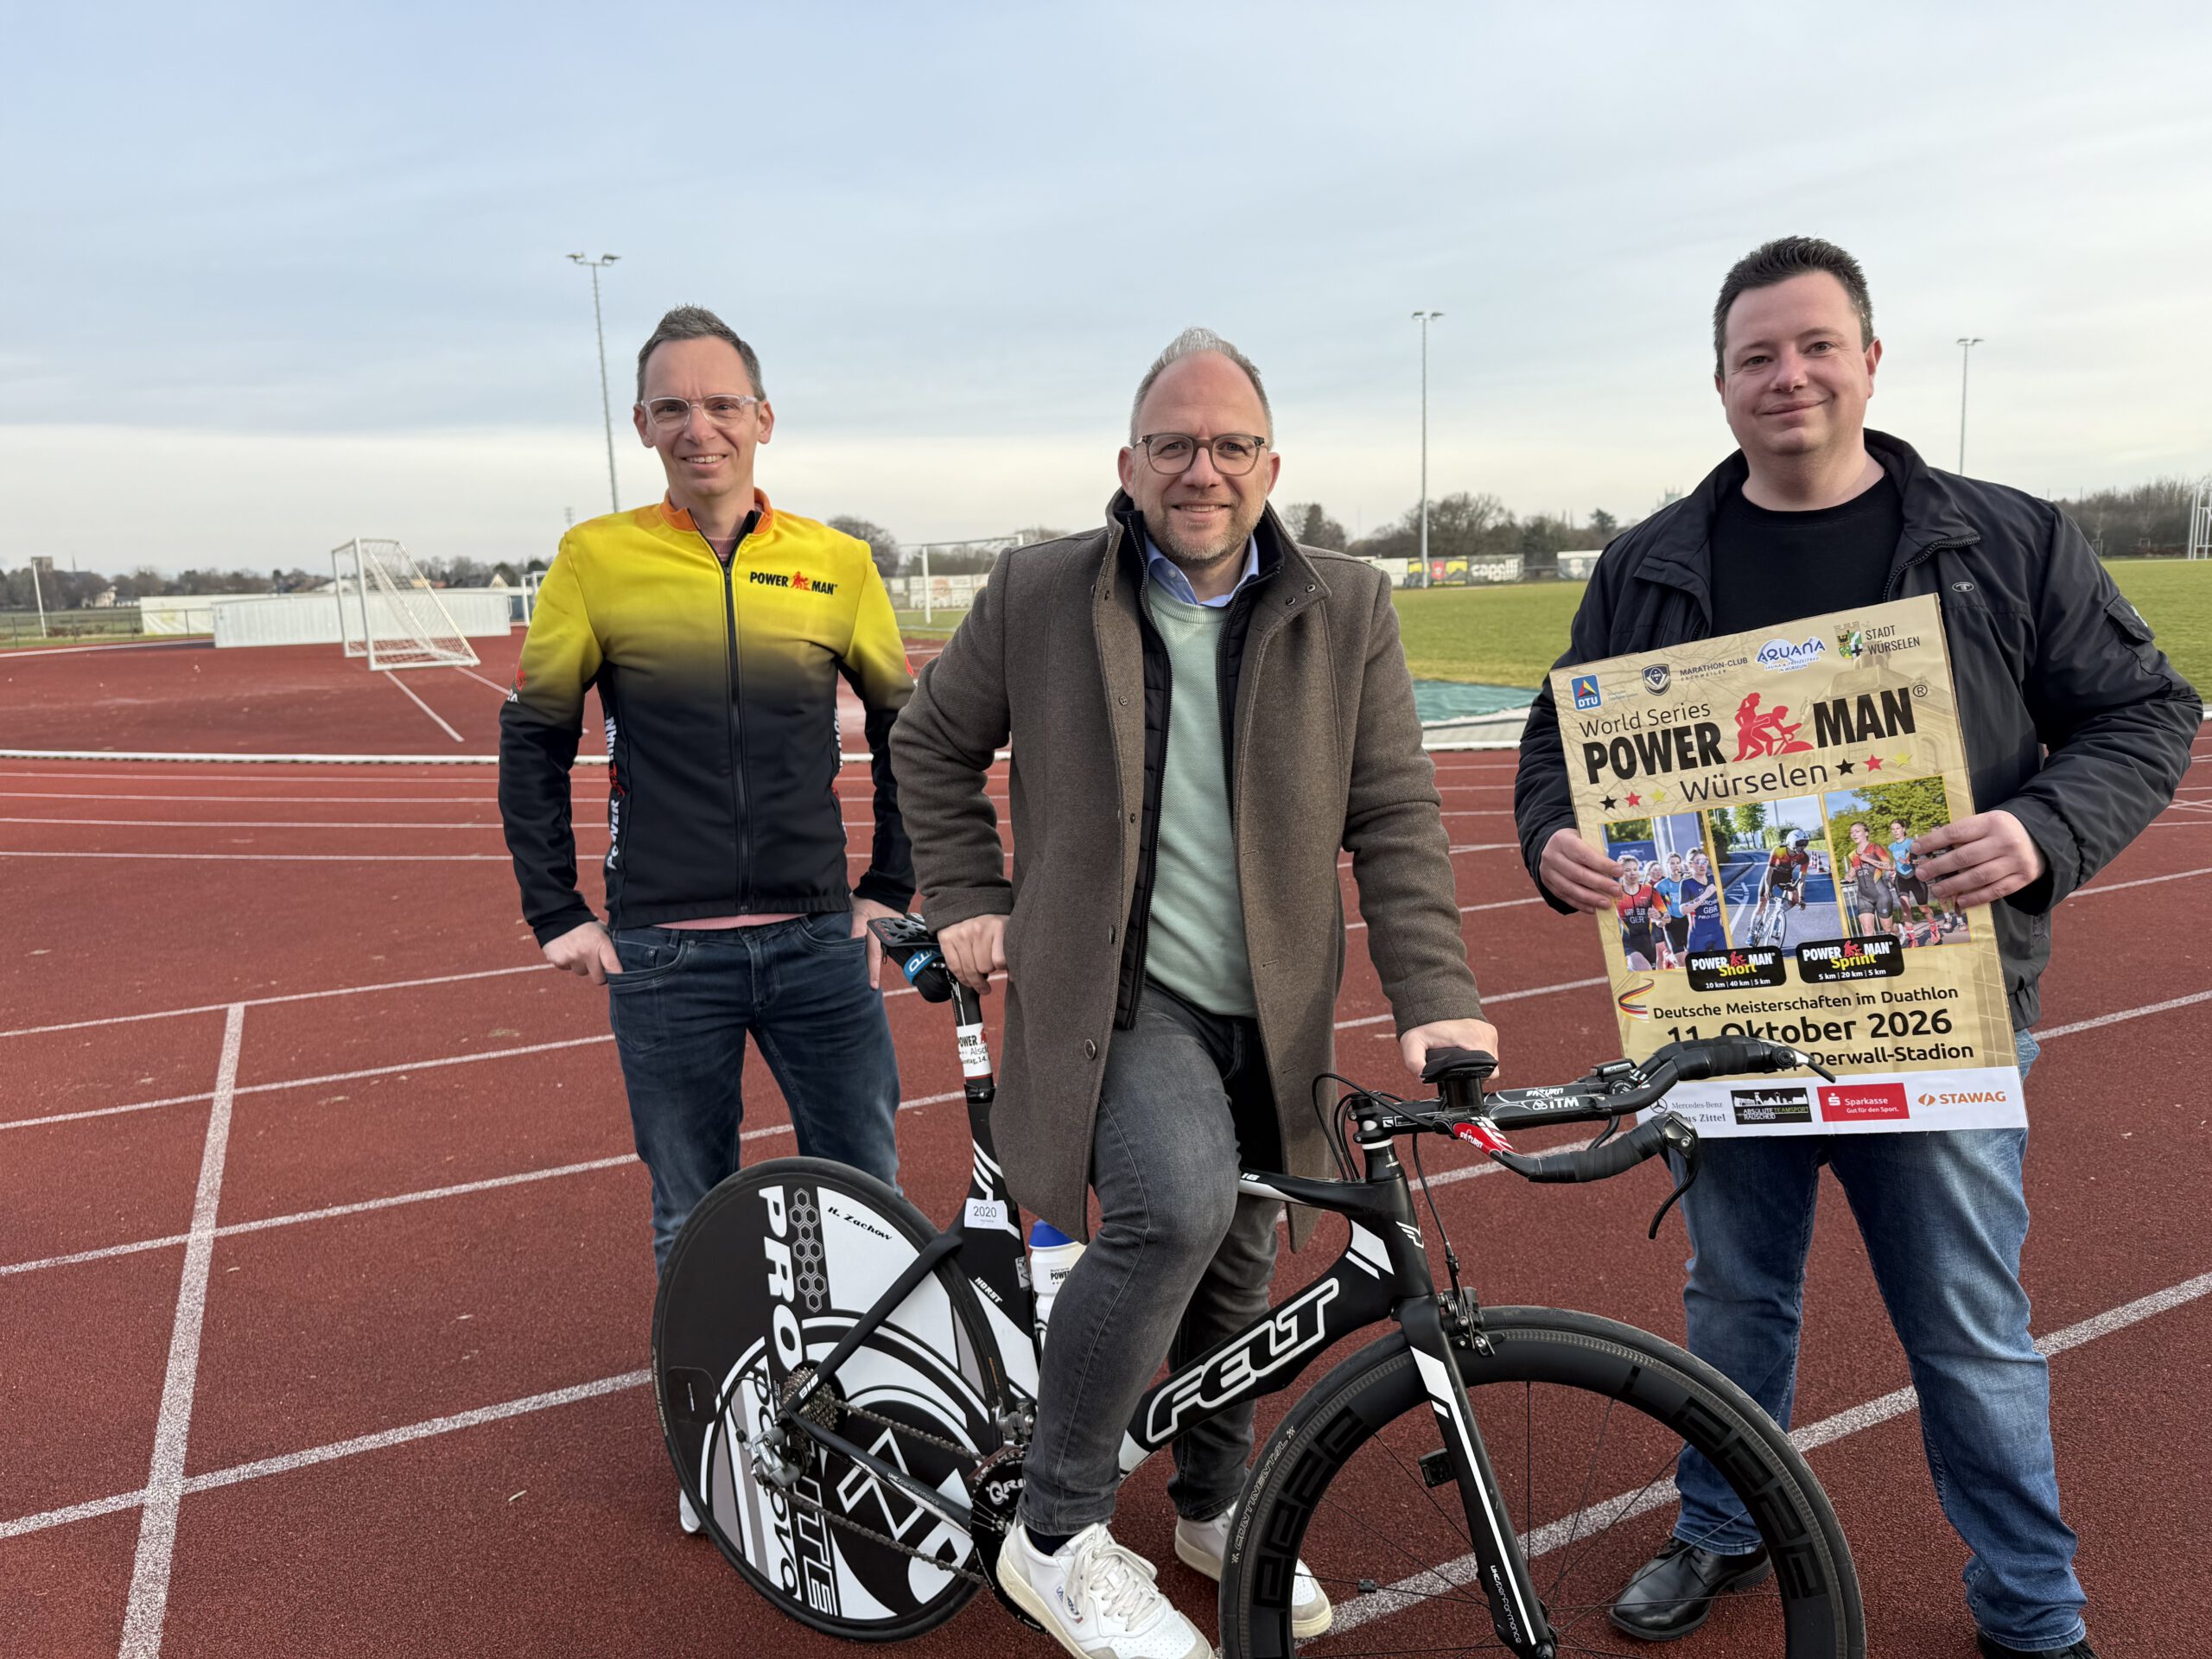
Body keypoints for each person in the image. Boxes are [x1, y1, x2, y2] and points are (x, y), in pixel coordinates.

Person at [1512, 237, 2198, 1659]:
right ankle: (1720, 1526)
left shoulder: (2005, 540)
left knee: (1966, 1321)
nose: (1790, 377)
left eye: (1816, 346)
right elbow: (1555, 741)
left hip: (1934, 1015)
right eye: (1757, 356)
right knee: (1733, 1300)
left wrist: (2040, 830)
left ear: (1871, 362)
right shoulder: (1650, 565)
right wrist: (1550, 836)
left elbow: (2146, 712)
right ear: (1720, 384)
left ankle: (2031, 1606)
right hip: (1722, 1025)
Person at [893, 327, 1494, 1659]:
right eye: (1174, 445)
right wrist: (969, 895)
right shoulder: (1042, 590)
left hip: (1270, 1004)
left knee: (1242, 1254)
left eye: (1230, 445)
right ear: (1129, 463)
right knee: (1175, 1205)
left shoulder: (1347, 604)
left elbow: (1395, 810)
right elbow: (930, 741)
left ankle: (1214, 1502)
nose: (1201, 469)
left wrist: (1434, 990)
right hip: (1116, 995)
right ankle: (1055, 1531)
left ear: (1271, 465)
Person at [498, 306, 916, 1528]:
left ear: (762, 418)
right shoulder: (595, 558)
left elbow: (910, 732)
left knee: (863, 1191)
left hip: (818, 940)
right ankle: (718, 1440)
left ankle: (857, 1408)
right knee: (693, 1211)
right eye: (673, 407)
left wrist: (891, 887)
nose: (701, 427)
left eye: (722, 403)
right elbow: (534, 738)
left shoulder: (836, 563)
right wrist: (555, 909)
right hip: (665, 953)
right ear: (642, 426)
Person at [1745, 830, 1811, 945]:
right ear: (1791, 842)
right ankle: (1751, 933)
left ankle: (1777, 917)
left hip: (1786, 878)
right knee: (1762, 903)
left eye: (1805, 844)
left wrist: (1801, 898)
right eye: (1800, 844)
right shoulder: (1778, 850)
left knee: (1794, 899)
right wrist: (1768, 889)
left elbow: (1802, 880)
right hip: (1771, 876)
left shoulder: (1804, 857)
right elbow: (1769, 871)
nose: (1803, 847)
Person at [1844, 819, 1901, 941]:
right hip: (1863, 896)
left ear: (1866, 833)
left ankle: (1897, 930)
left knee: (1888, 929)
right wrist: (1849, 876)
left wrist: (1869, 860)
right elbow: (1853, 871)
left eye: (1857, 831)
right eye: (1851, 832)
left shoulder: (1875, 848)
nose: (1854, 834)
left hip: (1880, 894)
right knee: (1867, 931)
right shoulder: (1852, 854)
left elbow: (1889, 866)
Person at [1616, 854, 1668, 970]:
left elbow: (1667, 917)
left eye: (1635, 869)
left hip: (1649, 943)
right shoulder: (1615, 893)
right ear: (1621, 873)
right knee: (1644, 968)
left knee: (1651, 975)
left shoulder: (1649, 891)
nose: (1633, 873)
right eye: (1628, 870)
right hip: (1628, 943)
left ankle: (1632, 971)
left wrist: (1659, 915)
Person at [1679, 849, 1727, 954]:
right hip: (1698, 936)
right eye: (1698, 862)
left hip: (1718, 933)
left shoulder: (1714, 879)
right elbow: (1683, 909)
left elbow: (1721, 902)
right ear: (1690, 864)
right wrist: (1705, 895)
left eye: (1705, 861)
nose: (1702, 865)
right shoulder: (1687, 883)